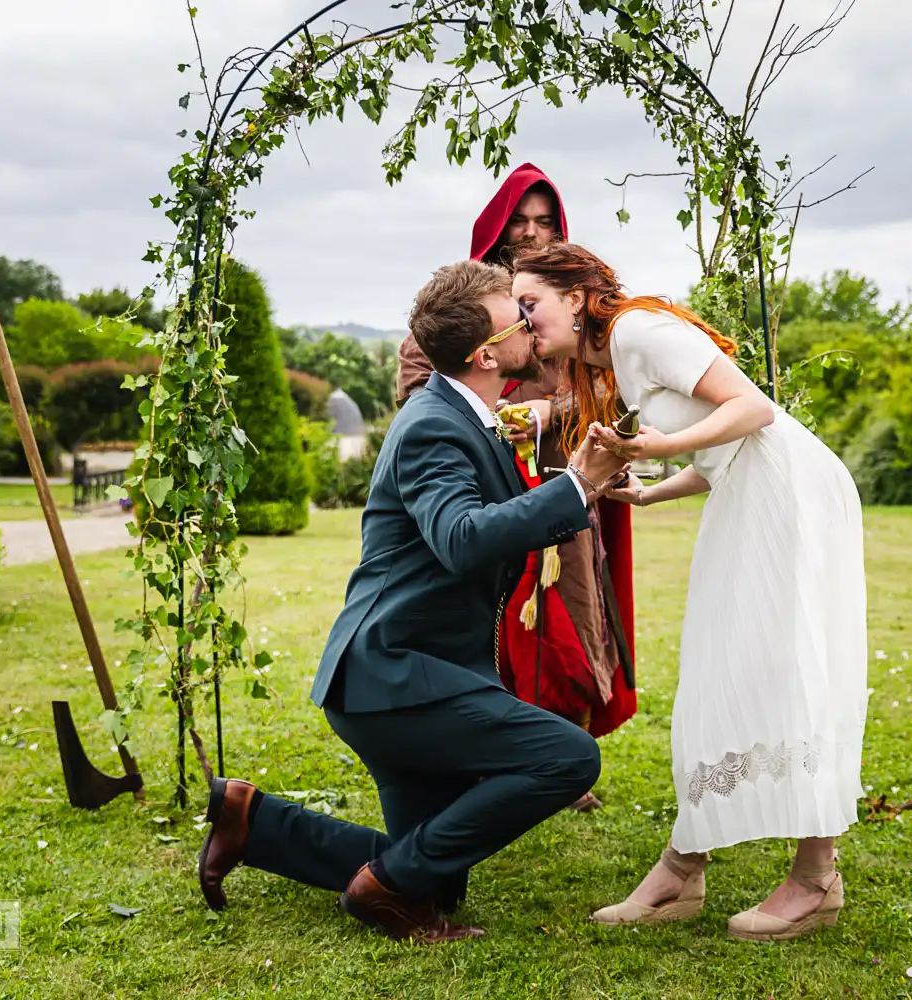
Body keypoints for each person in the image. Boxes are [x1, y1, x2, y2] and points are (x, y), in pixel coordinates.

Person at [196, 260, 629, 944]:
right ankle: (384, 893)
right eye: (518, 311)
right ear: (487, 353)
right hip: (393, 678)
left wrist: (583, 486)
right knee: (568, 757)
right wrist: (574, 487)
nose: (530, 318)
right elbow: (461, 539)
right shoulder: (433, 425)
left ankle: (255, 822)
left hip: (414, 672)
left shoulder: (465, 413)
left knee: (438, 878)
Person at [511, 243, 868, 943]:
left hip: (790, 495)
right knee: (721, 671)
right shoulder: (609, 362)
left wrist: (658, 451)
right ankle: (685, 866)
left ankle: (813, 876)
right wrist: (651, 492)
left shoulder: (640, 330)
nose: (525, 322)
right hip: (749, 491)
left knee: (780, 666)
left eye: (531, 305)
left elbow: (754, 411)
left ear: (576, 297)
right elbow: (716, 451)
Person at [397, 163, 637, 811]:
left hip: (561, 492)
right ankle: (490, 756)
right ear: (498, 228)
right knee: (484, 628)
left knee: (571, 623)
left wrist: (551, 414)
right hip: (483, 500)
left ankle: (555, 752)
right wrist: (504, 414)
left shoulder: (569, 312)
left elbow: (600, 391)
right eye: (519, 221)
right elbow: (425, 392)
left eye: (544, 221)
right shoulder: (462, 311)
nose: (531, 234)